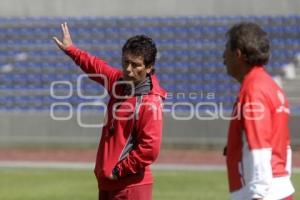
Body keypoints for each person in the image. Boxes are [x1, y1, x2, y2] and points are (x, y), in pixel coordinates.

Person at [53, 22, 166, 200]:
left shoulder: (150, 101)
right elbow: (96, 66)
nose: (128, 69)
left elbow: (149, 149)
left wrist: (118, 170)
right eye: (125, 62)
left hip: (130, 187)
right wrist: (71, 50)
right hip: (109, 184)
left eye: (135, 65)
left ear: (149, 67)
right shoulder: (119, 82)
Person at [223, 22, 295, 200]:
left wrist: (258, 193)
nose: (223, 57)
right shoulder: (270, 86)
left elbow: (260, 145)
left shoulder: (254, 89)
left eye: (226, 50)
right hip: (277, 187)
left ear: (238, 54)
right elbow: (284, 145)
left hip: (263, 193)